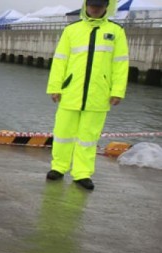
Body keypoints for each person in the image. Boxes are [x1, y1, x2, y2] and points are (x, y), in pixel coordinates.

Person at [46, 0, 129, 190]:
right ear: (86, 5)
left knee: (88, 137)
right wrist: (55, 87)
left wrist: (117, 91)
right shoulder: (71, 30)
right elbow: (60, 60)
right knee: (62, 134)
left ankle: (82, 173)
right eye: (92, 5)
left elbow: (121, 64)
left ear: (106, 7)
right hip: (70, 92)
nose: (94, 9)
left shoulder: (116, 31)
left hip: (99, 94)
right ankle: (58, 168)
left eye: (99, 6)